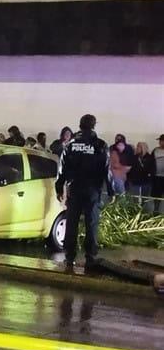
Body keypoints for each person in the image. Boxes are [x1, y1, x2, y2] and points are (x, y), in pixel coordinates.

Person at [55, 114, 112, 270]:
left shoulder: (71, 144)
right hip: (93, 190)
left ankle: (69, 257)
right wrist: (111, 191)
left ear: (80, 125)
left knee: (72, 223)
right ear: (94, 125)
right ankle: (90, 257)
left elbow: (62, 169)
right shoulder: (100, 145)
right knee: (91, 223)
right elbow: (107, 170)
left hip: (74, 189)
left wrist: (59, 188)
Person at [127, 142, 155, 209]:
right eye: (137, 146)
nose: (137, 148)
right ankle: (135, 210)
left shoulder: (150, 157)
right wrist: (129, 179)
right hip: (135, 181)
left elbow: (152, 169)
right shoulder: (134, 157)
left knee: (144, 198)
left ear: (143, 148)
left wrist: (150, 177)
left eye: (138, 147)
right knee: (135, 198)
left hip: (146, 181)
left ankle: (143, 211)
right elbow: (130, 169)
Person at [153, 134, 164, 214]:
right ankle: (156, 210)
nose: (160, 142)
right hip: (156, 177)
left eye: (162, 141)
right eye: (160, 141)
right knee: (156, 194)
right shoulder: (155, 150)